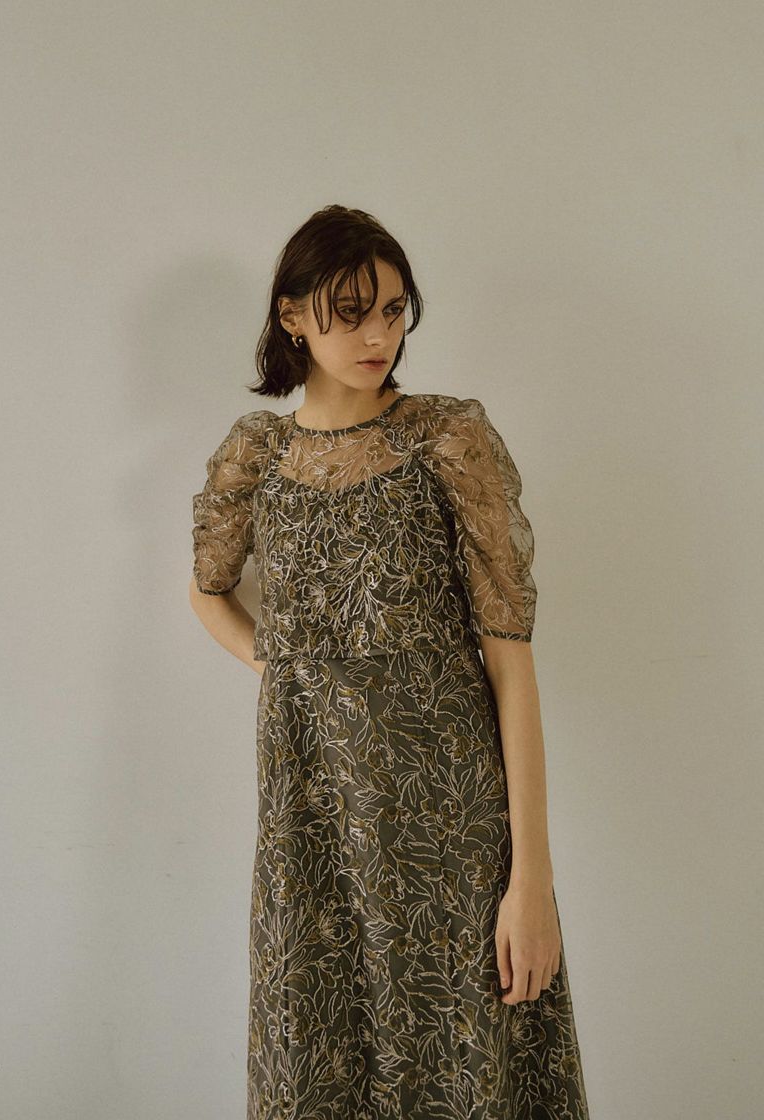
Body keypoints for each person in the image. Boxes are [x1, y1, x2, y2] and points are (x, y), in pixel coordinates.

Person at [189, 204, 590, 1118]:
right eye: (351, 312)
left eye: (394, 310)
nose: (379, 335)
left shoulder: (446, 439)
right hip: (311, 823)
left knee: (461, 1063)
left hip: (451, 827)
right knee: (318, 1058)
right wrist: (290, 672)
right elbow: (208, 591)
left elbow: (512, 665)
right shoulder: (256, 456)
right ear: (292, 315)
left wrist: (531, 883)